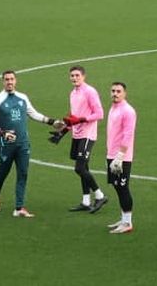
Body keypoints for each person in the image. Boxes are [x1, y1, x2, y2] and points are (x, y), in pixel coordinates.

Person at [0, 70, 57, 217]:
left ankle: (19, 208)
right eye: (7, 79)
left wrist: (52, 122)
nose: (9, 82)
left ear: (16, 80)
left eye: (12, 79)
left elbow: (33, 114)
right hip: (6, 145)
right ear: (3, 81)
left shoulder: (22, 98)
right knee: (3, 173)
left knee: (23, 173)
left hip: (23, 144)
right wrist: (3, 133)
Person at [62, 65, 107, 213]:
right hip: (77, 134)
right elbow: (73, 117)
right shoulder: (72, 93)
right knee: (84, 168)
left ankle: (100, 195)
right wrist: (63, 131)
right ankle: (86, 201)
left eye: (77, 75)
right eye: (72, 76)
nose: (74, 78)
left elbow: (99, 114)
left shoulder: (90, 91)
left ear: (84, 76)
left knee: (79, 168)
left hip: (87, 135)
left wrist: (82, 119)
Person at [104, 81, 136, 233]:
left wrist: (120, 156)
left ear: (125, 93)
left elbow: (128, 134)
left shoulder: (128, 111)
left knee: (123, 187)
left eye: (118, 91)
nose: (115, 94)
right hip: (112, 154)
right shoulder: (113, 108)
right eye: (113, 91)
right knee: (117, 186)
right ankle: (123, 219)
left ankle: (128, 223)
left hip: (122, 157)